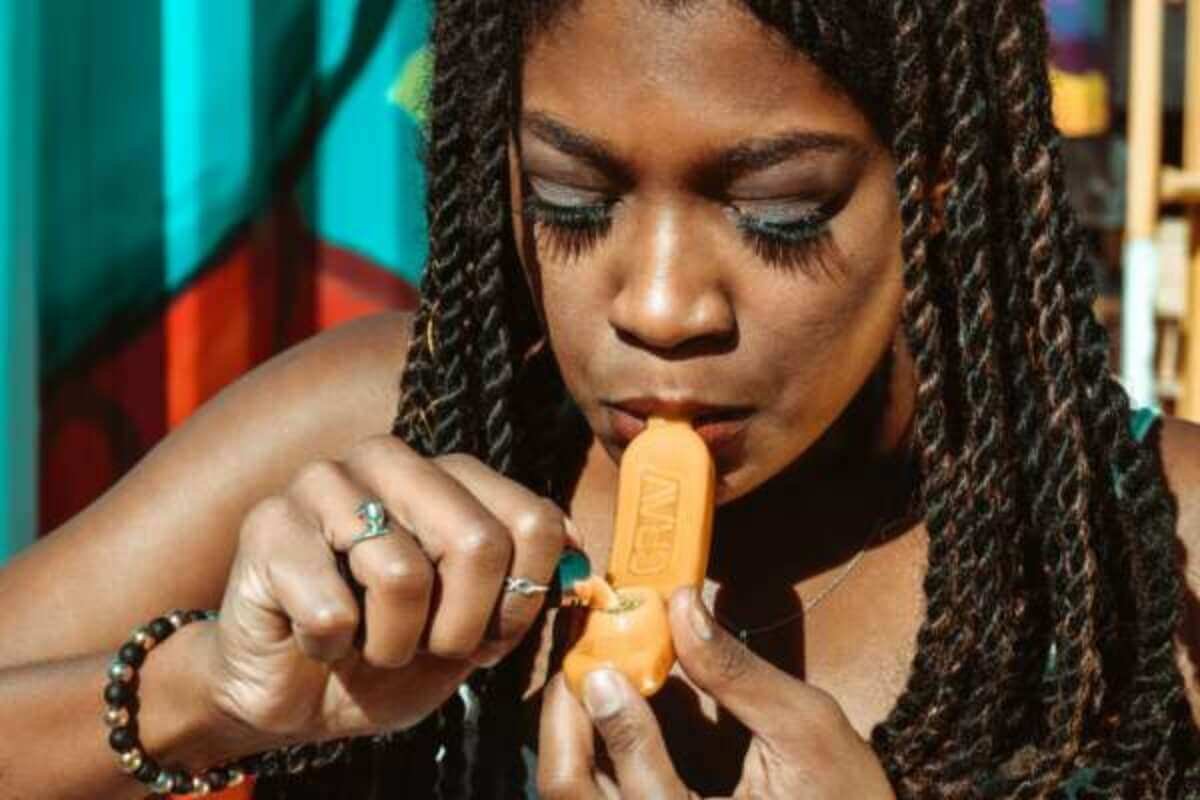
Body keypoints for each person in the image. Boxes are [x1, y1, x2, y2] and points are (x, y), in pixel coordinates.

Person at [3, 0, 1200, 797]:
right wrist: (207, 692)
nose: (664, 305)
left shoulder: (1155, 556)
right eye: (572, 202)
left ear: (935, 186)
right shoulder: (379, 430)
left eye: (779, 213)